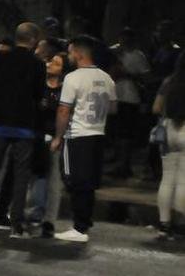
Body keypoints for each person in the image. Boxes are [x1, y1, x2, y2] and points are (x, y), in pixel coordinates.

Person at [0, 22, 46, 238]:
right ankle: (17, 225)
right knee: (21, 175)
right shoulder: (37, 64)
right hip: (24, 125)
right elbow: (38, 94)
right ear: (33, 40)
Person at [51, 36, 117, 243]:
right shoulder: (107, 78)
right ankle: (84, 223)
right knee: (89, 182)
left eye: (71, 52)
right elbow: (113, 108)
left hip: (78, 135)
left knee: (73, 179)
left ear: (79, 53)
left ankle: (79, 227)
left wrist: (58, 137)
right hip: (98, 135)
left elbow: (63, 110)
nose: (69, 56)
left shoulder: (73, 78)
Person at [28, 51, 70, 237]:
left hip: (55, 138)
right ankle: (32, 212)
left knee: (54, 180)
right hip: (35, 136)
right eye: (51, 61)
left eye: (57, 63)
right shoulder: (39, 85)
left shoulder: (64, 90)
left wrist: (58, 137)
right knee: (34, 177)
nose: (51, 64)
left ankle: (49, 221)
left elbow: (64, 114)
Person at [107, 27, 151, 179]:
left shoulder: (138, 56)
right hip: (115, 97)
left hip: (130, 98)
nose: (123, 42)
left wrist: (127, 74)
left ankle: (125, 165)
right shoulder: (115, 53)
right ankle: (118, 162)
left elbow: (146, 78)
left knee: (126, 133)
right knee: (116, 132)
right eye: (121, 39)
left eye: (126, 39)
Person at [151, 54, 185, 239]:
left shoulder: (169, 81)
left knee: (167, 178)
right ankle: (180, 224)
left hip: (168, 130)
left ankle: (164, 225)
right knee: (183, 180)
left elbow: (156, 108)